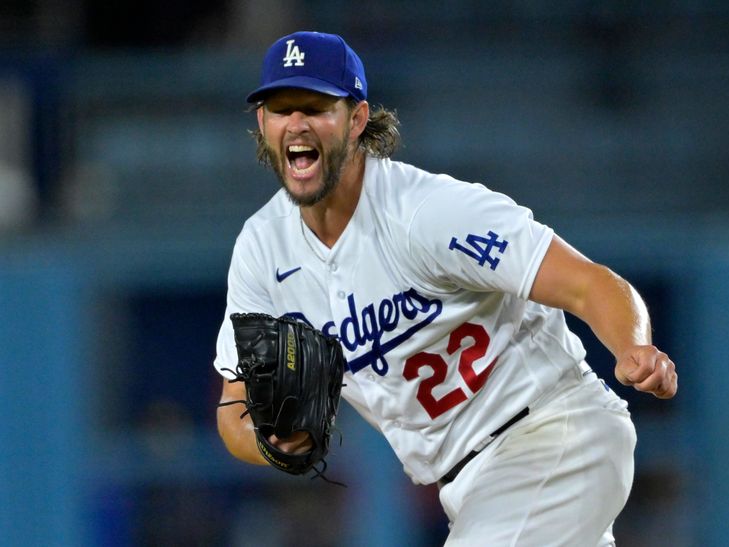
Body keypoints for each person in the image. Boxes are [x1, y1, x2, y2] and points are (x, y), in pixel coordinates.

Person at [214, 30, 677, 546]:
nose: (296, 122)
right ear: (262, 123)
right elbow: (234, 406)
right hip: (470, 487)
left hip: (553, 433)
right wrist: (276, 444)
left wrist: (634, 345)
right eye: (280, 108)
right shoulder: (261, 249)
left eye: (316, 105)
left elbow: (589, 284)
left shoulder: (427, 212)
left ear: (357, 119)